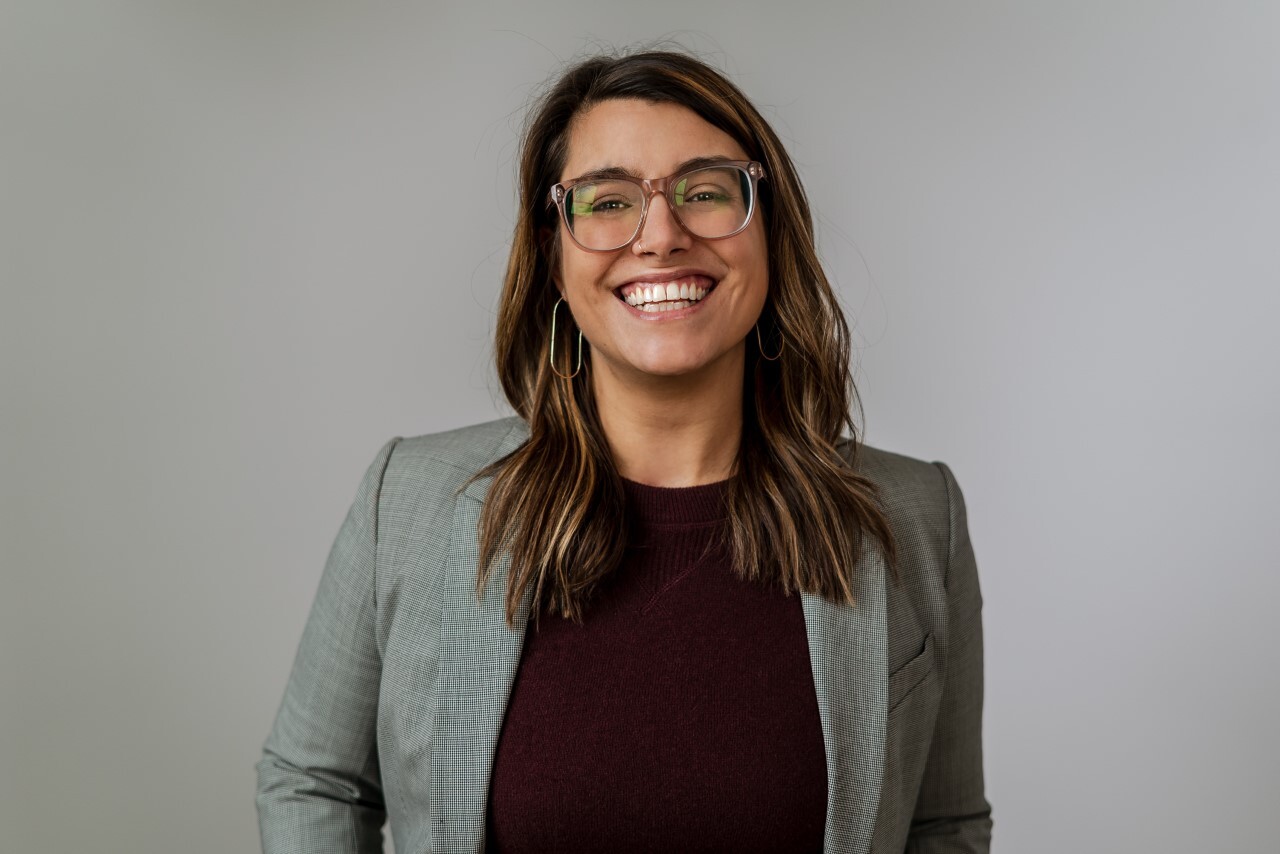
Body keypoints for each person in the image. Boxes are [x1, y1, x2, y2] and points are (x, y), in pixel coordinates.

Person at [255, 49, 992, 853]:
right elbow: (313, 781)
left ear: (770, 231)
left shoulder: (917, 518)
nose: (662, 236)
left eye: (705, 192)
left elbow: (942, 824)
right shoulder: (407, 504)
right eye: (608, 201)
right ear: (553, 254)